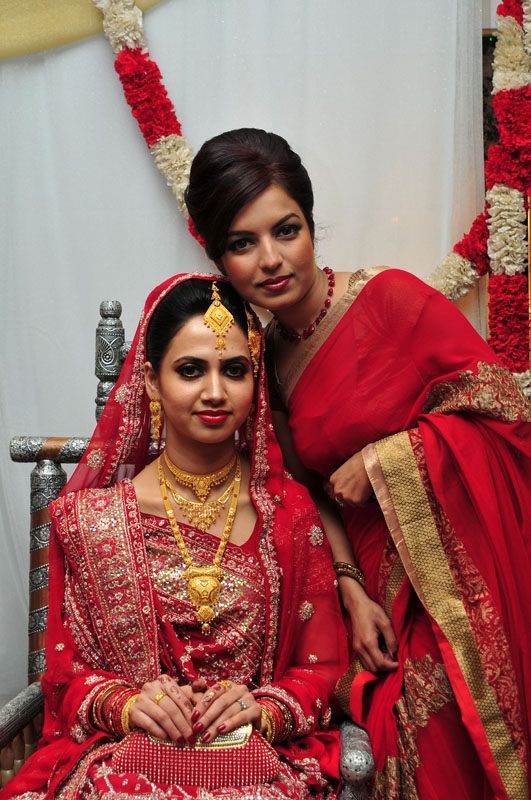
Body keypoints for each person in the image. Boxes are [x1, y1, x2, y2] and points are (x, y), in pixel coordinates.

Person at [184, 129, 531, 799]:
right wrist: (349, 589)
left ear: (311, 224)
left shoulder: (391, 299)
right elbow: (304, 489)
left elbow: (504, 411)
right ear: (217, 257)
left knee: (441, 722)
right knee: (390, 715)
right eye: (242, 243)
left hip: (460, 573)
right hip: (369, 591)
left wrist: (383, 458)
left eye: (286, 230)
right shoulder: (260, 362)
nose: (270, 259)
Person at [2, 274, 348, 800]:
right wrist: (126, 703)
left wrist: (265, 709)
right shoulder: (91, 521)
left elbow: (322, 671)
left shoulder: (288, 514)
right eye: (190, 370)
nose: (215, 392)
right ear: (150, 380)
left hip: (256, 765)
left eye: (235, 370)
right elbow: (67, 679)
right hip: (127, 763)